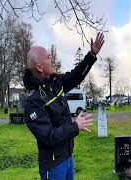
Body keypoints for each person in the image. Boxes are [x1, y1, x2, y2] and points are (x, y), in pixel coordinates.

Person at [23, 32, 104, 180]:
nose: (52, 58)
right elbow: (49, 137)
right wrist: (75, 126)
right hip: (53, 167)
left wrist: (91, 55)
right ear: (39, 67)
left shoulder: (55, 83)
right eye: (48, 57)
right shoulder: (33, 102)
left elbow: (75, 76)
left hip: (68, 158)